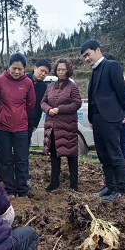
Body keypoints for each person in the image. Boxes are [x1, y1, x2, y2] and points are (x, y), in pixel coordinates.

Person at [81, 40, 125, 200]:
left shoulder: (112, 66)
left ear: (98, 50)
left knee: (115, 154)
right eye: (84, 57)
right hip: (97, 119)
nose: (87, 59)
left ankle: (121, 191)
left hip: (111, 118)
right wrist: (92, 118)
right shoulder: (94, 71)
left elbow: (123, 93)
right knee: (103, 155)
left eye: (88, 54)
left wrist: (118, 113)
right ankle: (110, 186)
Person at [0, 53, 36, 198]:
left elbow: (30, 104)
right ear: (8, 67)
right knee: (5, 158)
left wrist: (21, 115)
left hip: (21, 127)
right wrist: (0, 114)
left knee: (22, 159)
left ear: (24, 69)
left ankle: (22, 191)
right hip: (2, 127)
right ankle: (10, 189)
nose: (16, 72)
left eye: (20, 69)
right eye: (14, 68)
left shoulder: (28, 83)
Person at [40, 59, 82, 192]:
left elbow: (77, 103)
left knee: (71, 155)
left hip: (67, 126)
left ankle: (74, 184)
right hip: (52, 126)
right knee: (54, 155)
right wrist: (48, 109)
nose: (61, 72)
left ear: (68, 70)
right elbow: (43, 102)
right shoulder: (50, 86)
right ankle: (54, 182)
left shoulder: (72, 86)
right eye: (58, 69)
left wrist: (59, 109)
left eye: (63, 69)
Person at [103, 54, 125, 161]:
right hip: (109, 120)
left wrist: (122, 108)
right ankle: (112, 173)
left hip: (124, 120)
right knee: (110, 147)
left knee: (122, 147)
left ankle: (120, 171)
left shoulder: (124, 81)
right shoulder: (103, 81)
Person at [27, 59, 51, 144]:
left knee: (25, 147)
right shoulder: (24, 79)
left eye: (46, 72)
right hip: (17, 119)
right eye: (42, 70)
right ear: (35, 68)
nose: (43, 74)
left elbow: (40, 106)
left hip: (29, 122)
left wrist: (35, 124)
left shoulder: (44, 87)